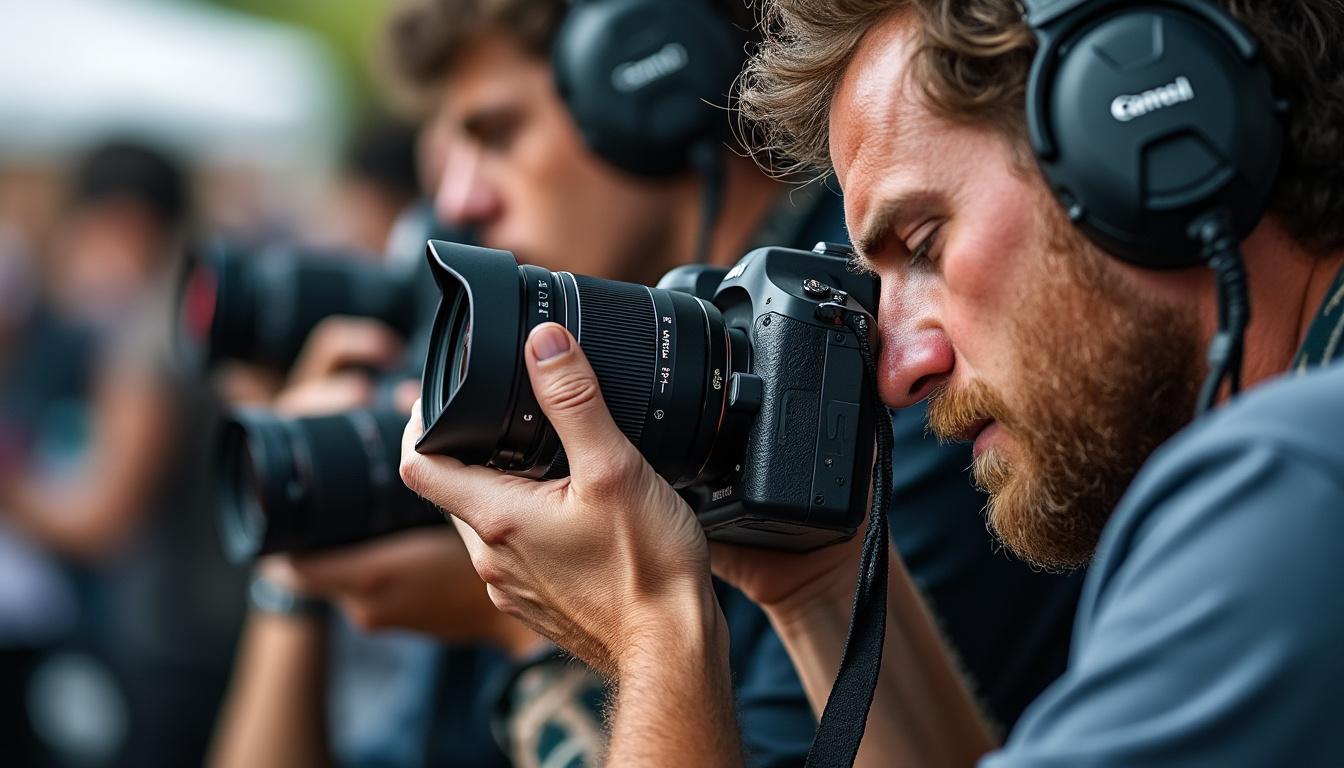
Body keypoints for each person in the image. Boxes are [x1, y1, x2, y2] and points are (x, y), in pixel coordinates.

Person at [396, 0, 1344, 765]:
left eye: (924, 245)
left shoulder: (1292, 477)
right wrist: (819, 589)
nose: (895, 373)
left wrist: (655, 639)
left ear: (1146, 132)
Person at [248, 1, 1083, 762]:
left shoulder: (889, 353)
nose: (457, 202)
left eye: (496, 134)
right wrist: (292, 580)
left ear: (648, 82)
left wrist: (563, 635)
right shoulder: (615, 401)